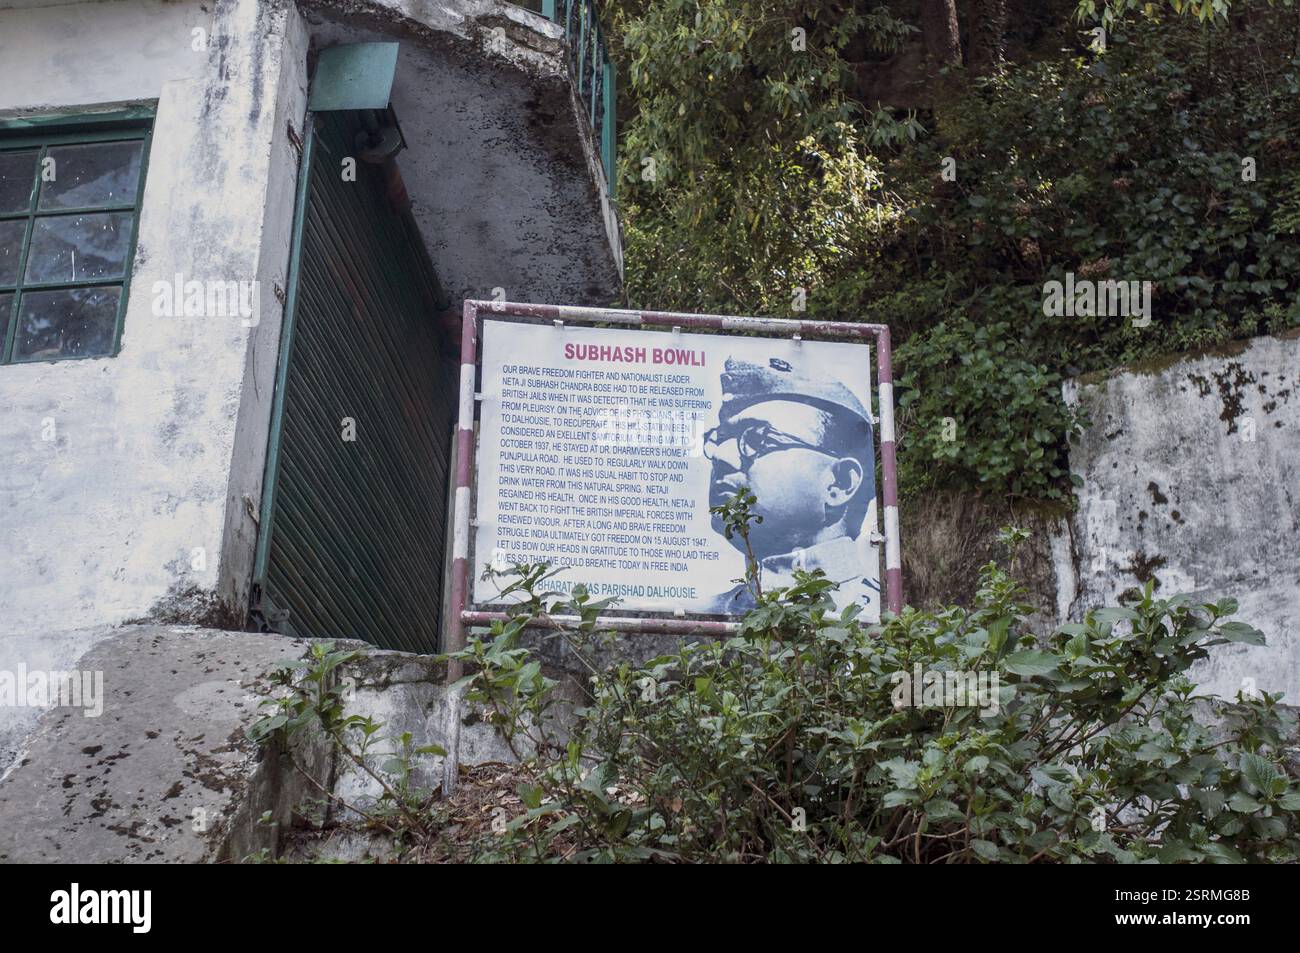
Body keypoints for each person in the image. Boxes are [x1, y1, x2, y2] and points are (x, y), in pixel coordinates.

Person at [704, 355, 879, 614]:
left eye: (758, 439)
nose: (721, 456)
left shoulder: (874, 615)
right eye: (720, 439)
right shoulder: (707, 612)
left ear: (840, 483)